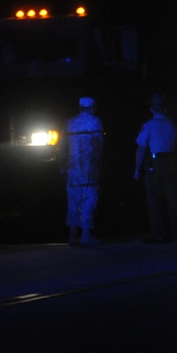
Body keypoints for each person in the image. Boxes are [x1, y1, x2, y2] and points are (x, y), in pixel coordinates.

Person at [134, 93, 177, 243]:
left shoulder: (148, 125)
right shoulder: (173, 125)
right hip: (170, 163)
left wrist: (136, 169)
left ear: (152, 109)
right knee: (171, 199)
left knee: (154, 199)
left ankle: (158, 234)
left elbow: (141, 149)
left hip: (155, 164)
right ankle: (173, 233)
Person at [61, 96, 105, 246]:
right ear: (92, 107)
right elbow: (98, 146)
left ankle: (72, 235)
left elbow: (62, 146)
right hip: (88, 167)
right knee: (89, 198)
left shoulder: (70, 123)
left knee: (73, 200)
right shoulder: (95, 122)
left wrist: (62, 166)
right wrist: (99, 164)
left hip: (72, 168)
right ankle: (86, 234)